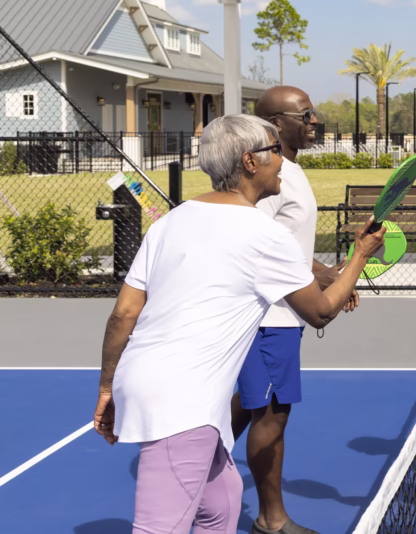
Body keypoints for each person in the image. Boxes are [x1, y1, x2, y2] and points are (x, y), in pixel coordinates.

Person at [93, 114, 385, 534]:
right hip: (182, 402)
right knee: (160, 527)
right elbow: (320, 311)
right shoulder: (266, 235)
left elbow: (123, 314)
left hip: (152, 382)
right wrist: (359, 256)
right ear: (251, 161)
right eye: (274, 151)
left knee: (221, 503)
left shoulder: (170, 222)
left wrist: (108, 387)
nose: (282, 160)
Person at [229, 86, 354, 534]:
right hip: (268, 318)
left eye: (313, 112)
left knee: (248, 405)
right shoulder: (269, 178)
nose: (315, 119)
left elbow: (287, 250)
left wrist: (326, 278)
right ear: (276, 125)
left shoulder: (290, 171)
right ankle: (271, 520)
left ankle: (197, 466)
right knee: (272, 415)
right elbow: (255, 247)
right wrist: (323, 288)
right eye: (305, 114)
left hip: (283, 313)